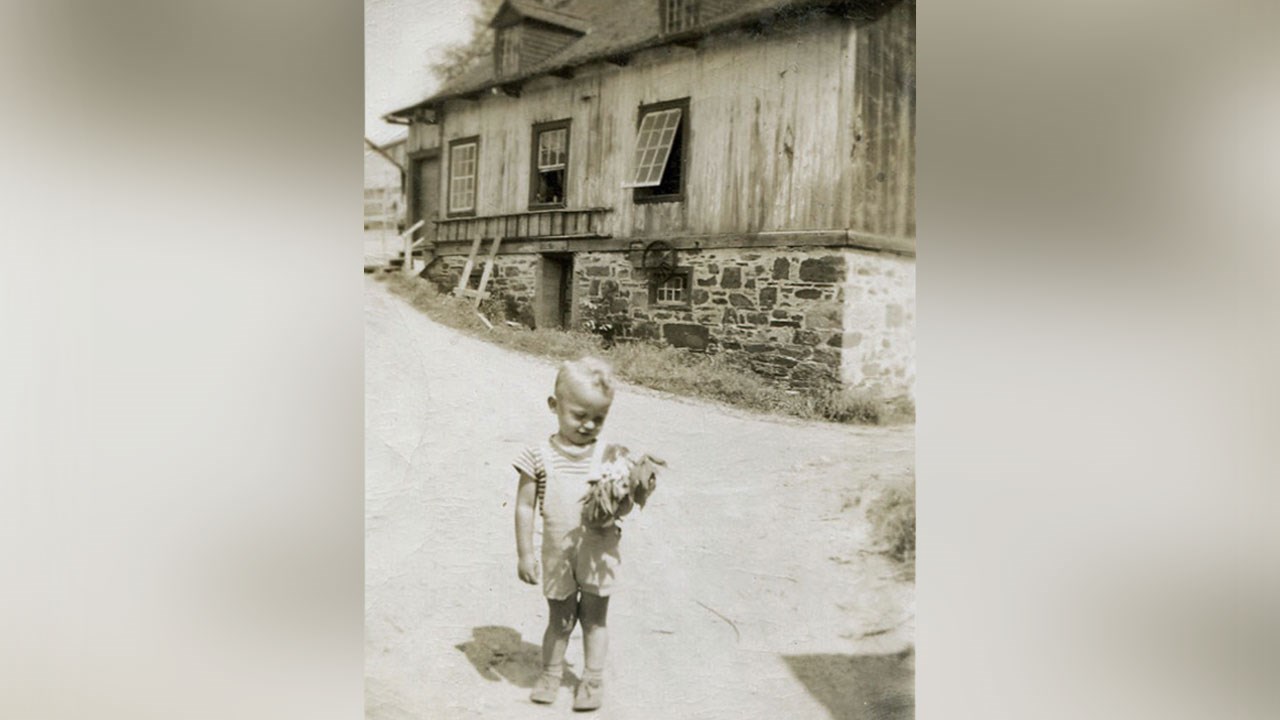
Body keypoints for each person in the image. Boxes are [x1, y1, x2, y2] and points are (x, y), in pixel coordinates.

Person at [512, 357, 628, 711]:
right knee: (560, 619)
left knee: (594, 619)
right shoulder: (538, 455)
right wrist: (525, 553)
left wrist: (624, 494)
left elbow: (622, 507)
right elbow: (524, 506)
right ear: (554, 406)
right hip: (557, 553)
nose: (588, 424)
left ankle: (592, 679)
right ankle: (550, 672)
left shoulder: (609, 455)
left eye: (598, 418)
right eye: (579, 415)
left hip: (598, 551)